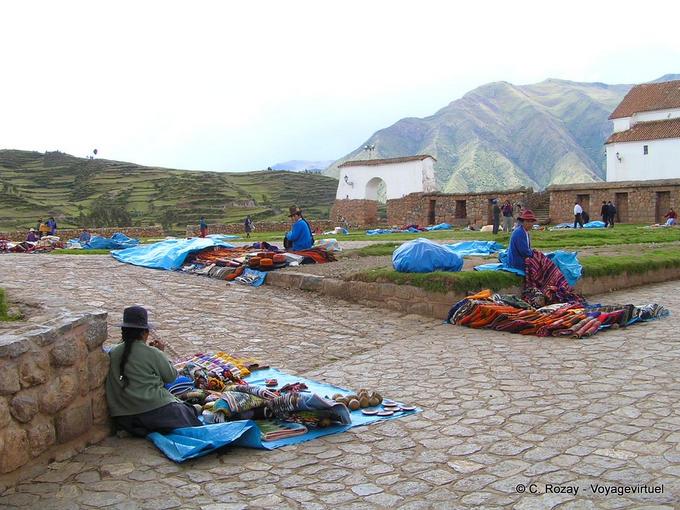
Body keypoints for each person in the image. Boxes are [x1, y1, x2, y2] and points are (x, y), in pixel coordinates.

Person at [105, 306, 202, 437]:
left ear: (123, 331)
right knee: (189, 412)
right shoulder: (153, 353)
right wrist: (161, 352)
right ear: (144, 333)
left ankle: (138, 430)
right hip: (154, 411)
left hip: (124, 416)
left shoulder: (113, 352)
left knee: (182, 409)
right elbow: (171, 376)